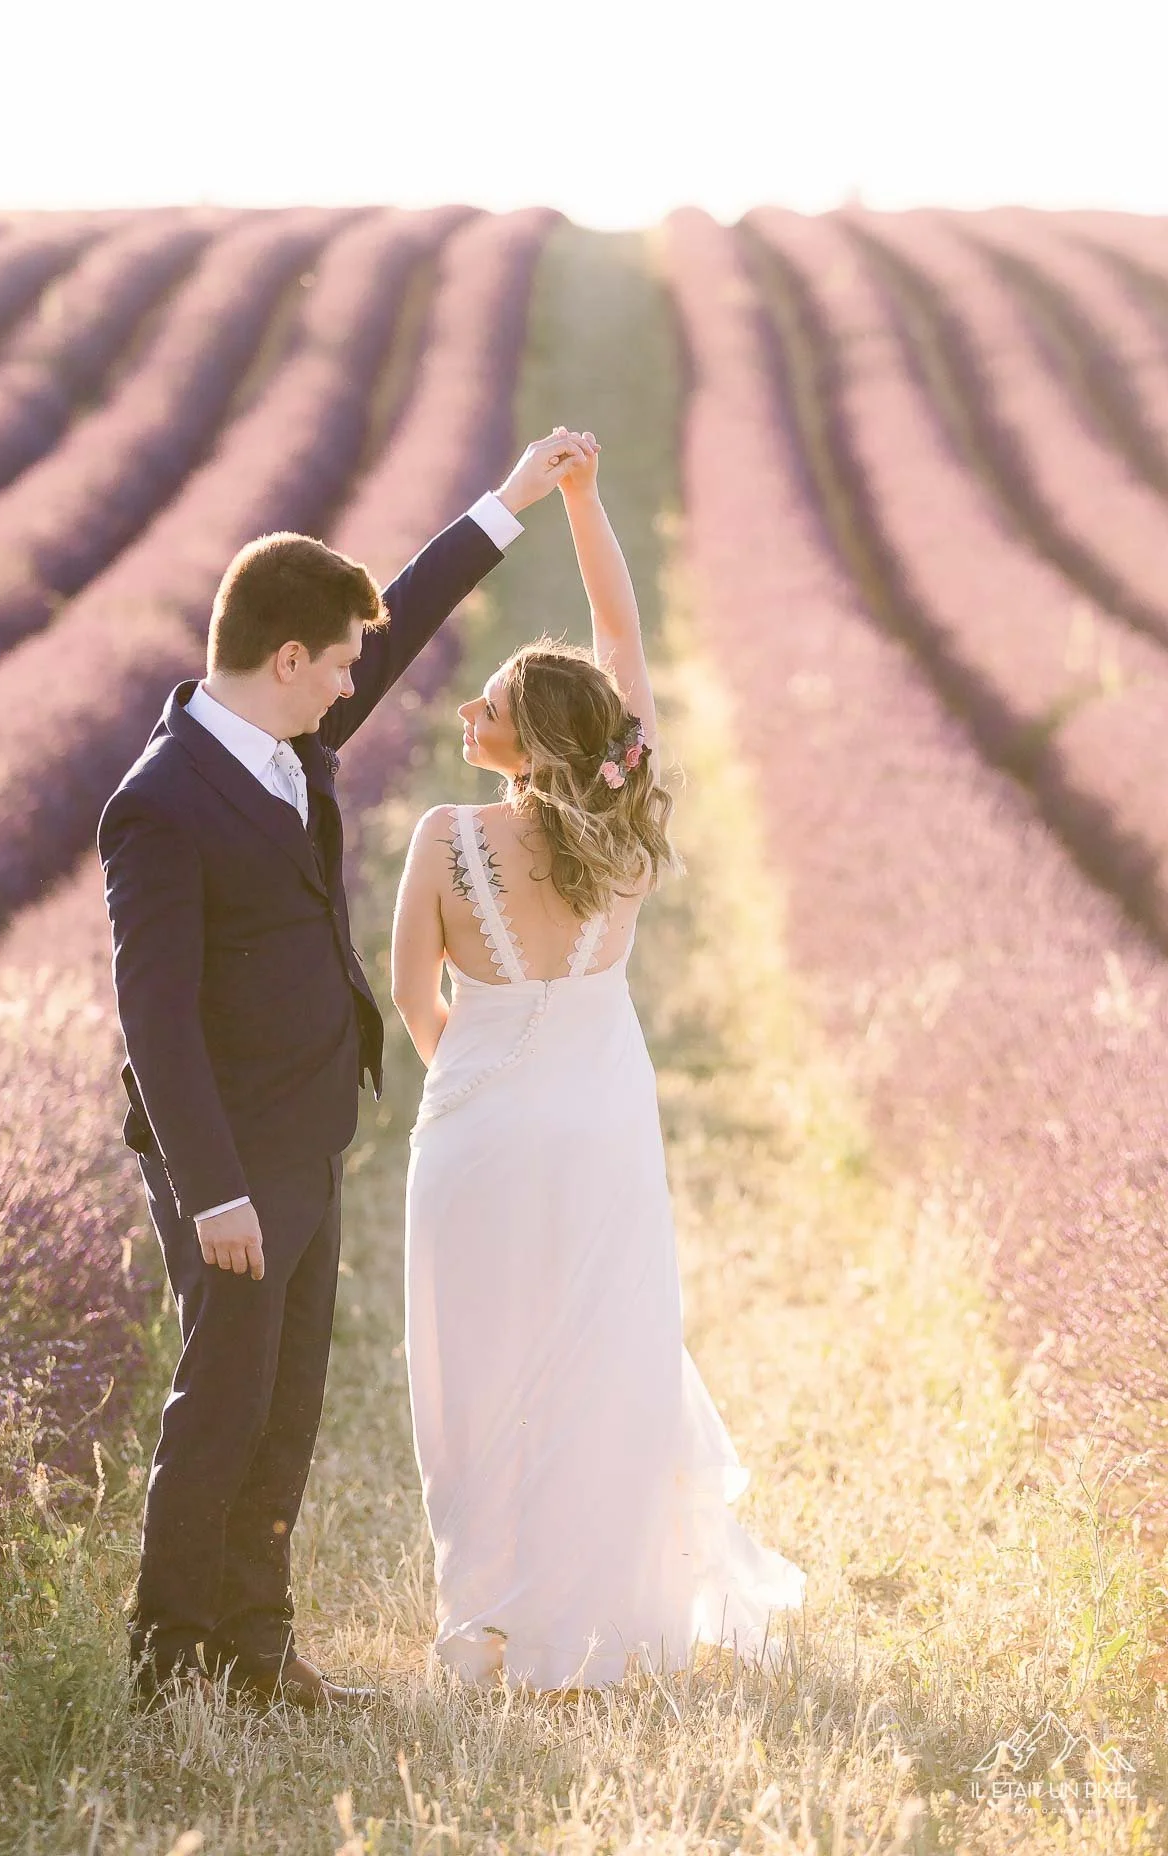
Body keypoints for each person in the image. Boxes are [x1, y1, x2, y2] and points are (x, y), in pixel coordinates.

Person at [98, 430, 586, 1712]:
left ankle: (256, 1654)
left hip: (302, 1132)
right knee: (221, 1404)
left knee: (287, 1404)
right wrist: (211, 1191)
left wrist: (507, 503)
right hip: (228, 1158)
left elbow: (404, 616)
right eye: (338, 668)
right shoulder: (160, 802)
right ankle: (168, 1672)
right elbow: (150, 1015)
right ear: (287, 659)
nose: (351, 690)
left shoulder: (284, 743)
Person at [391, 429, 806, 1691]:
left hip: (474, 1131)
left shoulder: (441, 840)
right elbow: (619, 636)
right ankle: (596, 1618)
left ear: (521, 740)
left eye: (492, 704)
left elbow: (414, 1000)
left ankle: (494, 1623)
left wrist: (476, 1082)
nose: (471, 709)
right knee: (601, 1361)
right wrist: (585, 499)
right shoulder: (622, 832)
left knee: (477, 1371)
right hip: (603, 1132)